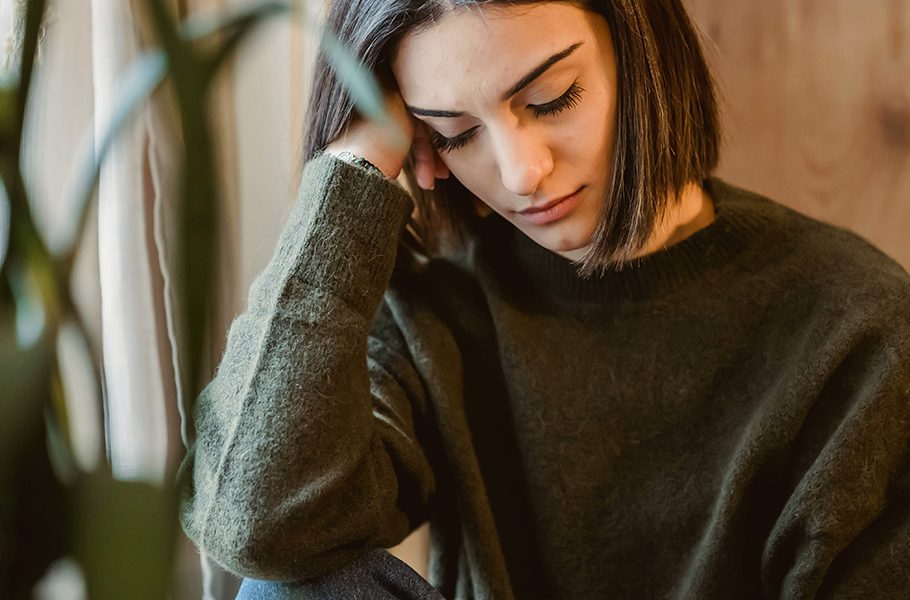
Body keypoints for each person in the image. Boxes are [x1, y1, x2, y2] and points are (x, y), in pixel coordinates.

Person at [178, 1, 910, 599]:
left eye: (551, 98)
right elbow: (256, 520)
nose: (522, 173)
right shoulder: (439, 307)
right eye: (456, 134)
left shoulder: (858, 325)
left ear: (637, 42)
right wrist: (351, 169)